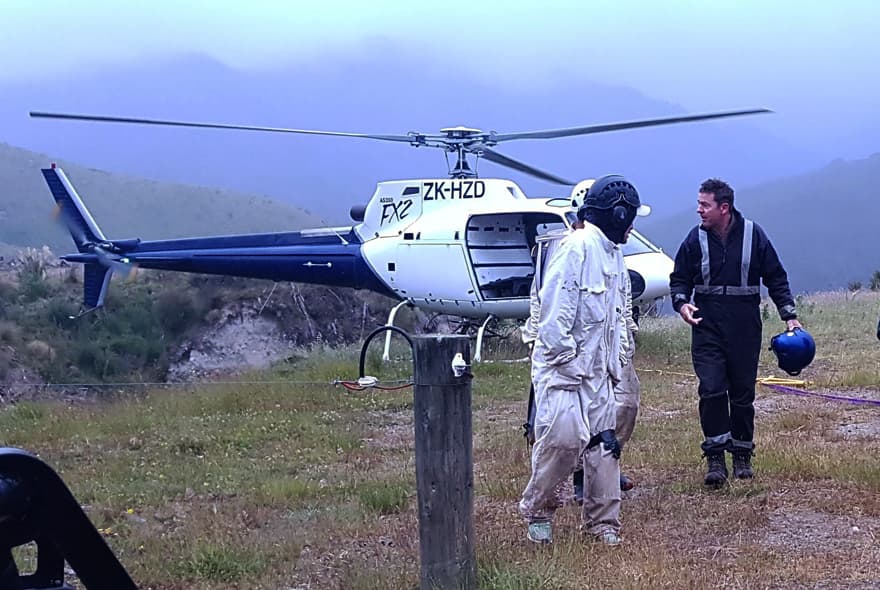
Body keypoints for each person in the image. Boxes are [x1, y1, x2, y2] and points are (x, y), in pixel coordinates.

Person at [519, 174, 648, 546]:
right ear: (618, 215)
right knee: (561, 440)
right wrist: (568, 362)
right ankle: (539, 511)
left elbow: (620, 313)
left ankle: (603, 523)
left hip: (600, 369)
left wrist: (620, 357)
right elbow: (555, 314)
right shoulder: (575, 249)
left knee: (604, 446)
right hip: (564, 368)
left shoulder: (613, 254)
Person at [669, 178, 801, 487]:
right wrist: (681, 304)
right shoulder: (694, 239)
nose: (698, 210)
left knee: (742, 392)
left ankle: (742, 453)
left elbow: (776, 277)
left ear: (723, 208)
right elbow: (679, 279)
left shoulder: (755, 235)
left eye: (705, 205)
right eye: (699, 203)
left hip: (744, 324)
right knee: (712, 388)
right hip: (706, 323)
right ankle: (716, 456)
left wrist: (790, 317)